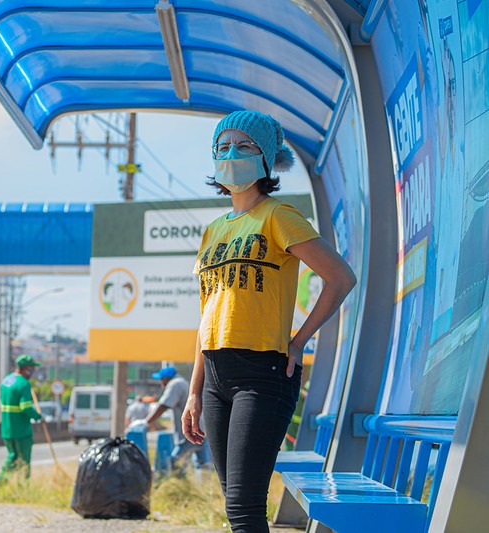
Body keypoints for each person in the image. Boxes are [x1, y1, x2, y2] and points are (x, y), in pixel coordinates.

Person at [182, 110, 357, 532]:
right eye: (223, 146)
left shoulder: (279, 215)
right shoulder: (212, 231)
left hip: (263, 374)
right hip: (216, 377)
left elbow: (340, 277)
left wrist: (298, 341)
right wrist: (193, 392)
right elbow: (207, 318)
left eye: (244, 146)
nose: (231, 153)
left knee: (244, 509)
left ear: (266, 160)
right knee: (235, 505)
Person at [146, 365, 210, 474]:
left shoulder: (175, 384)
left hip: (191, 430)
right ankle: (206, 487)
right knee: (203, 464)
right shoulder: (182, 382)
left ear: (166, 378)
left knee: (176, 462)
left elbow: (164, 405)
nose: (162, 384)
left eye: (162, 380)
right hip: (200, 428)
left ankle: (177, 484)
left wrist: (146, 422)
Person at [0, 354, 43, 485]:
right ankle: (21, 486)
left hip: (7, 429)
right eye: (32, 368)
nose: (33, 372)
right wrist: (37, 416)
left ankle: (0, 481)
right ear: (26, 369)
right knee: (23, 461)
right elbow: (25, 407)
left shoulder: (6, 381)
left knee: (12, 456)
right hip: (21, 430)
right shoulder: (24, 384)